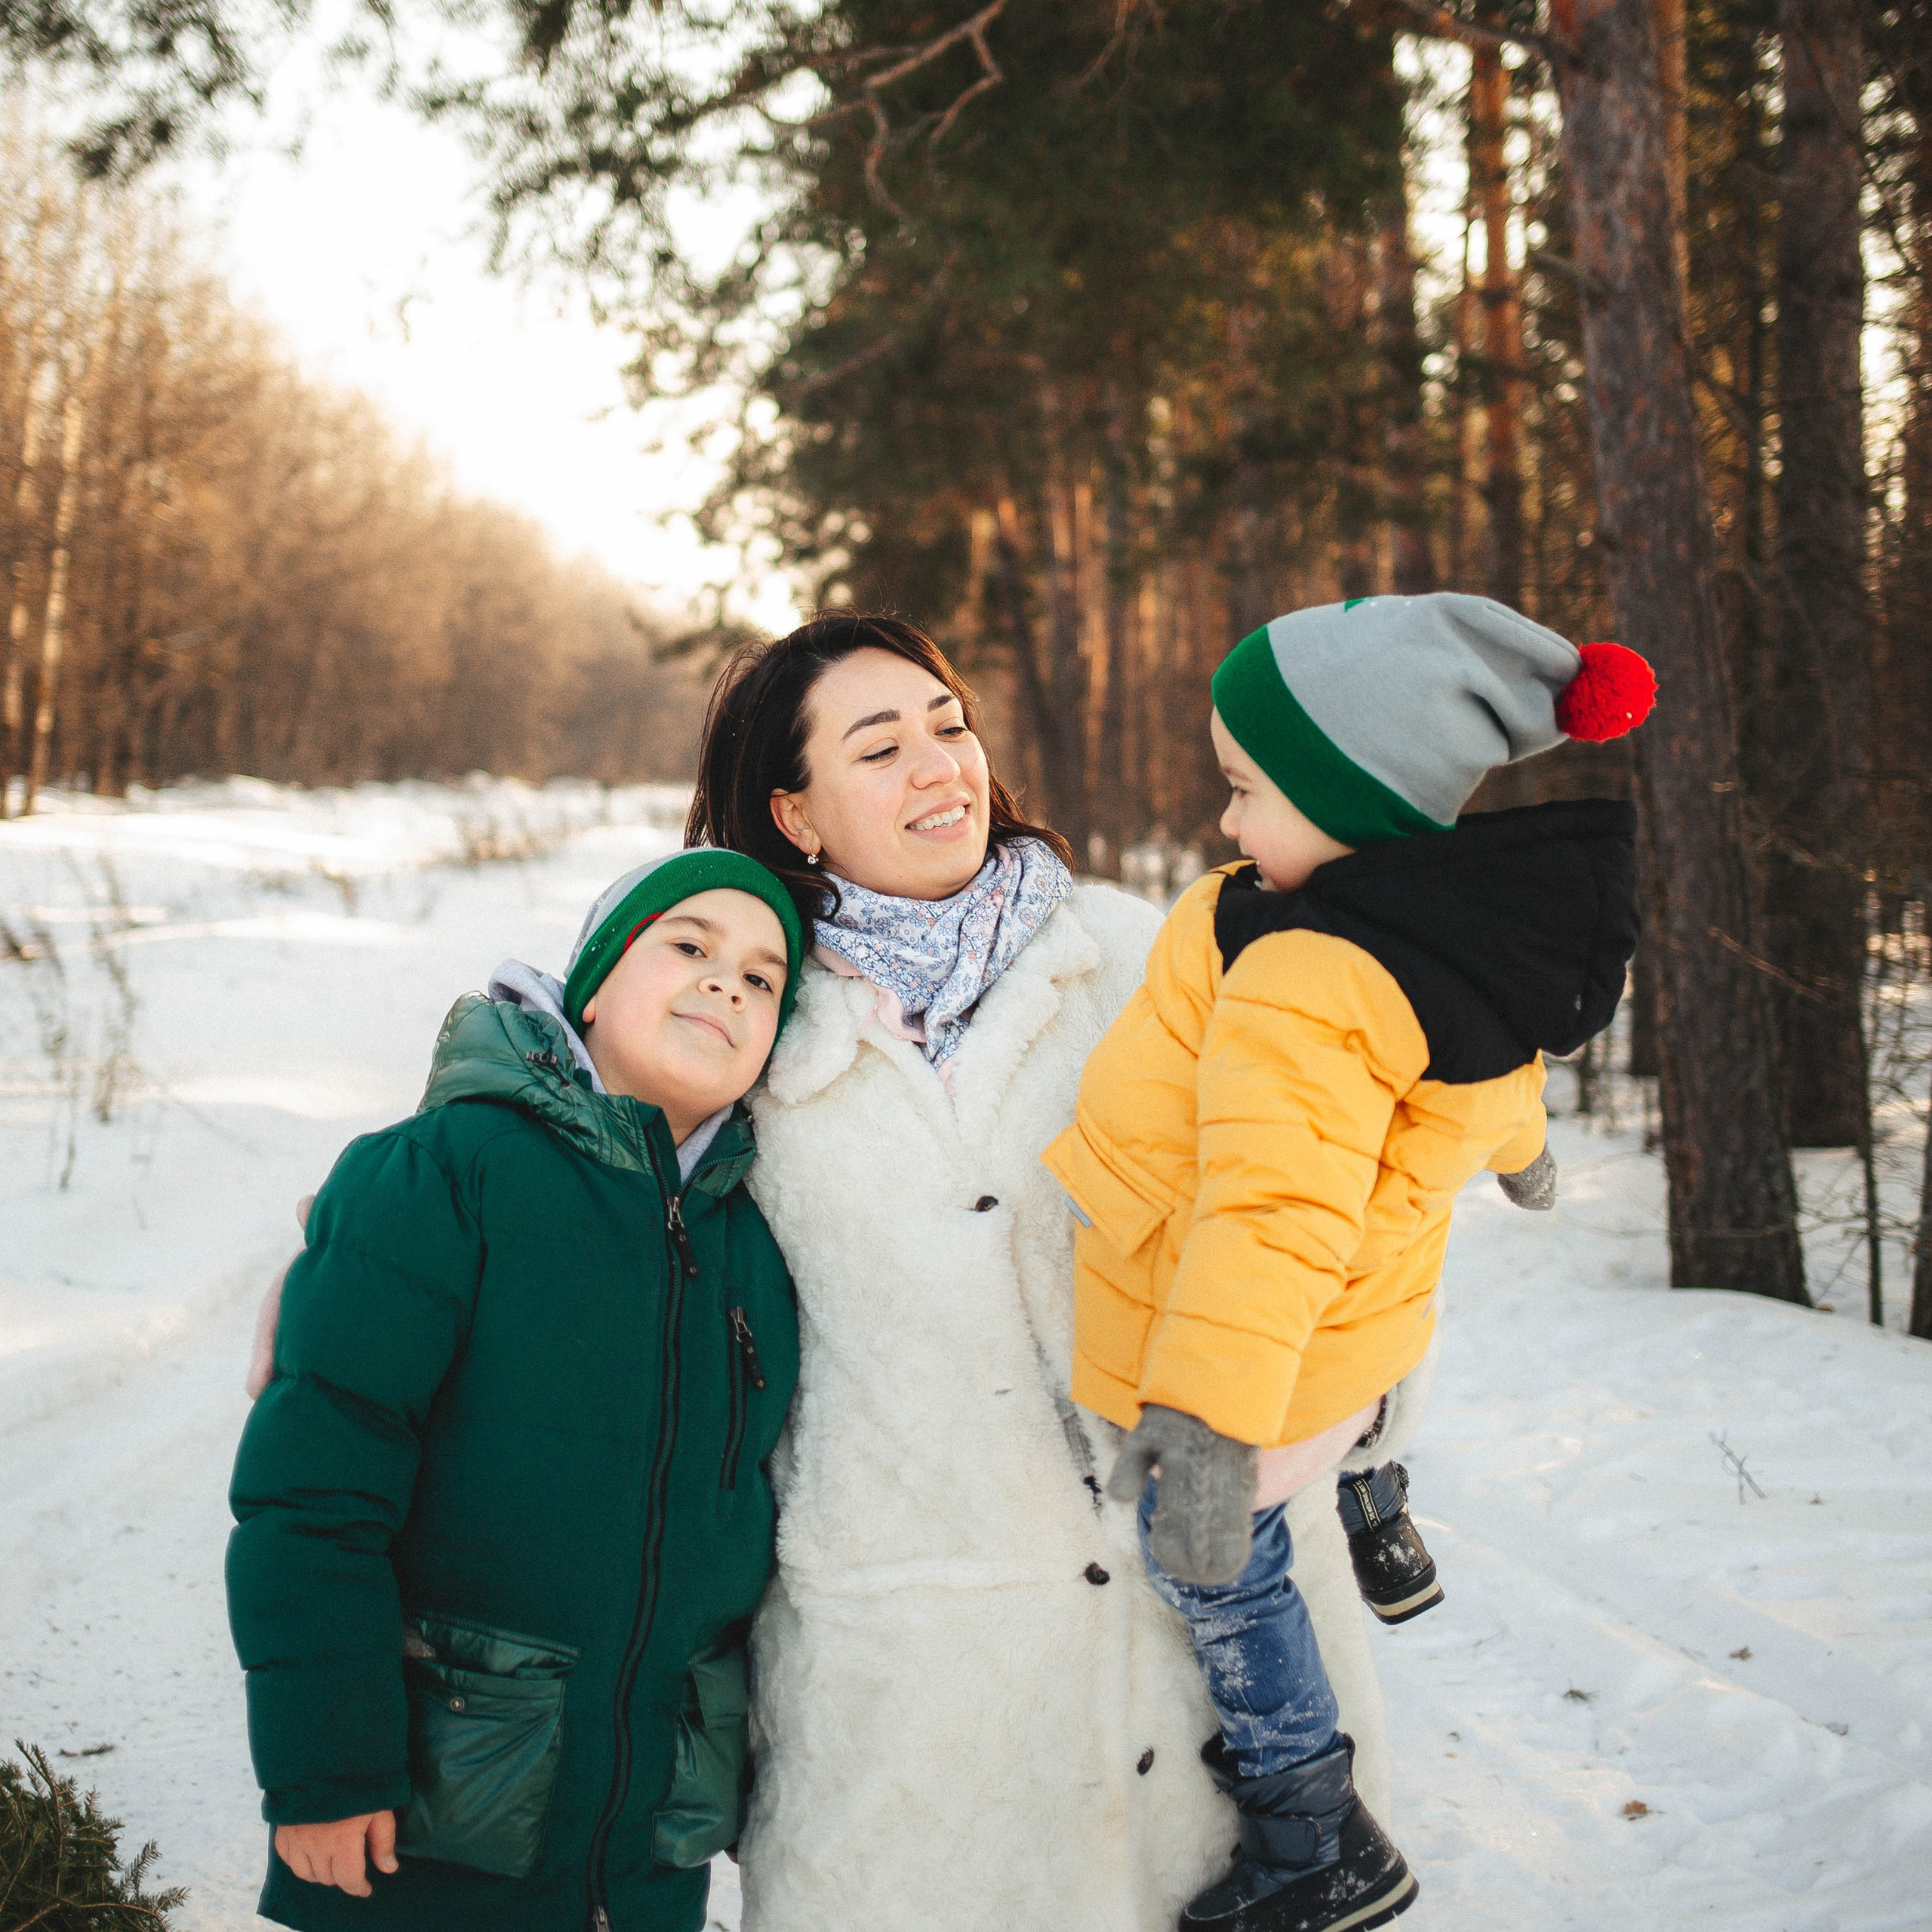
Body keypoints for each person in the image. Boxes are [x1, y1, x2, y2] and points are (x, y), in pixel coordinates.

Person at [684, 613, 1392, 1932]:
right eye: (880, 748)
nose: (939, 766)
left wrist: (1355, 1414)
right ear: (795, 812)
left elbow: (1352, 1195)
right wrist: (374, 1259)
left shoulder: (1153, 957)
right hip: (918, 1697)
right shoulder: (746, 1020)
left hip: (1209, 1664)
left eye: (949, 724)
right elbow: (578, 1169)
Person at [1044, 592, 1652, 1932]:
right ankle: (1375, 1497)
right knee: (1357, 1385)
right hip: (1361, 1329)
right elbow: (1490, 1070)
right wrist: (1521, 1157)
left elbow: (1269, 1219)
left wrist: (1203, 1424)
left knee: (1211, 1558)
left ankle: (1312, 1825)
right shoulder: (1412, 925)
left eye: (1246, 790)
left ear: (1354, 803)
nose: (1224, 821)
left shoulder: (1309, 982)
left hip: (1267, 1346)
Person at [226, 850, 806, 1932]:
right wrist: (327, 1770)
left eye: (765, 979)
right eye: (691, 946)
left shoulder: (759, 1250)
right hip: (429, 1820)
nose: (729, 982)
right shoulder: (447, 1171)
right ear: (592, 980)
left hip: (641, 1854)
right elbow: (313, 1496)